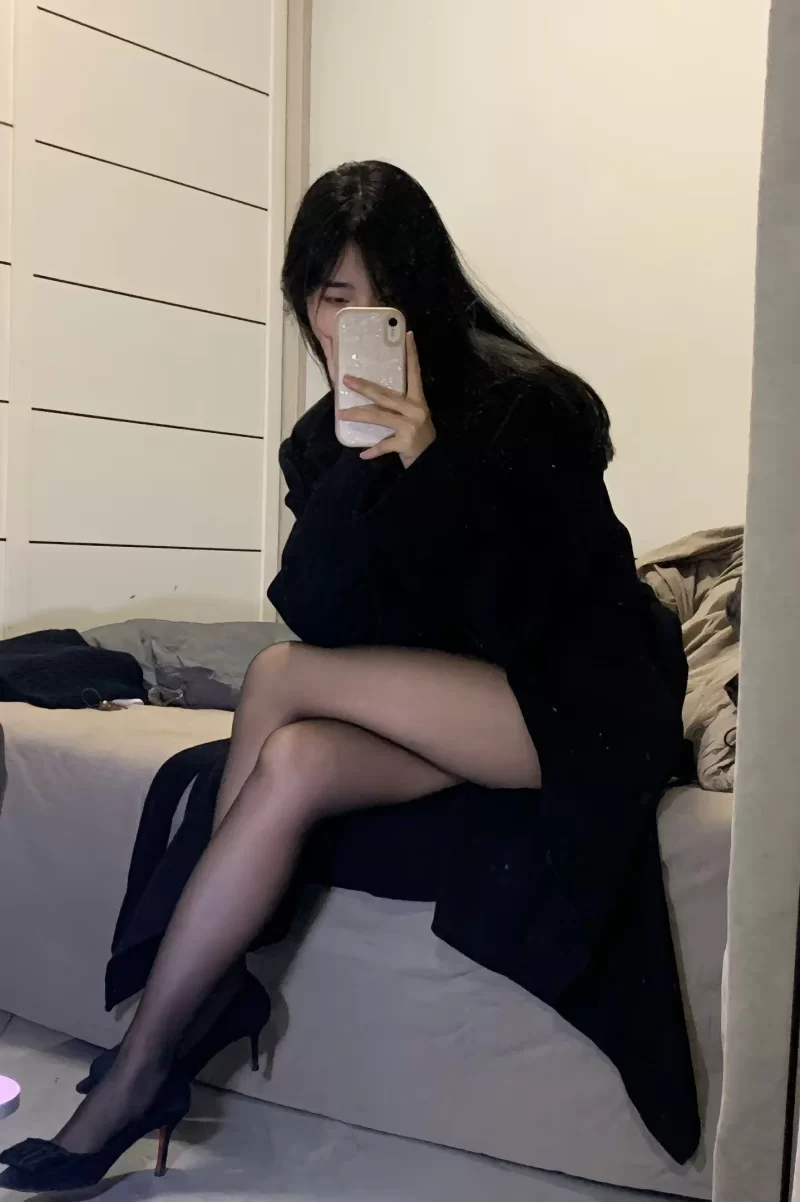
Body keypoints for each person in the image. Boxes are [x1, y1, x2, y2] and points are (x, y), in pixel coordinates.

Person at [0, 161, 693, 1191]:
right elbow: (323, 612)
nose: (351, 320)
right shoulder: (322, 441)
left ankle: (150, 1057)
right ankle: (174, 1026)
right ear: (303, 303)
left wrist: (433, 467)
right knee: (294, 760)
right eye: (330, 296)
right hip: (454, 708)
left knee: (280, 677)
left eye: (380, 295)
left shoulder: (528, 404)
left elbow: (532, 617)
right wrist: (364, 467)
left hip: (577, 703)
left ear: (426, 295)